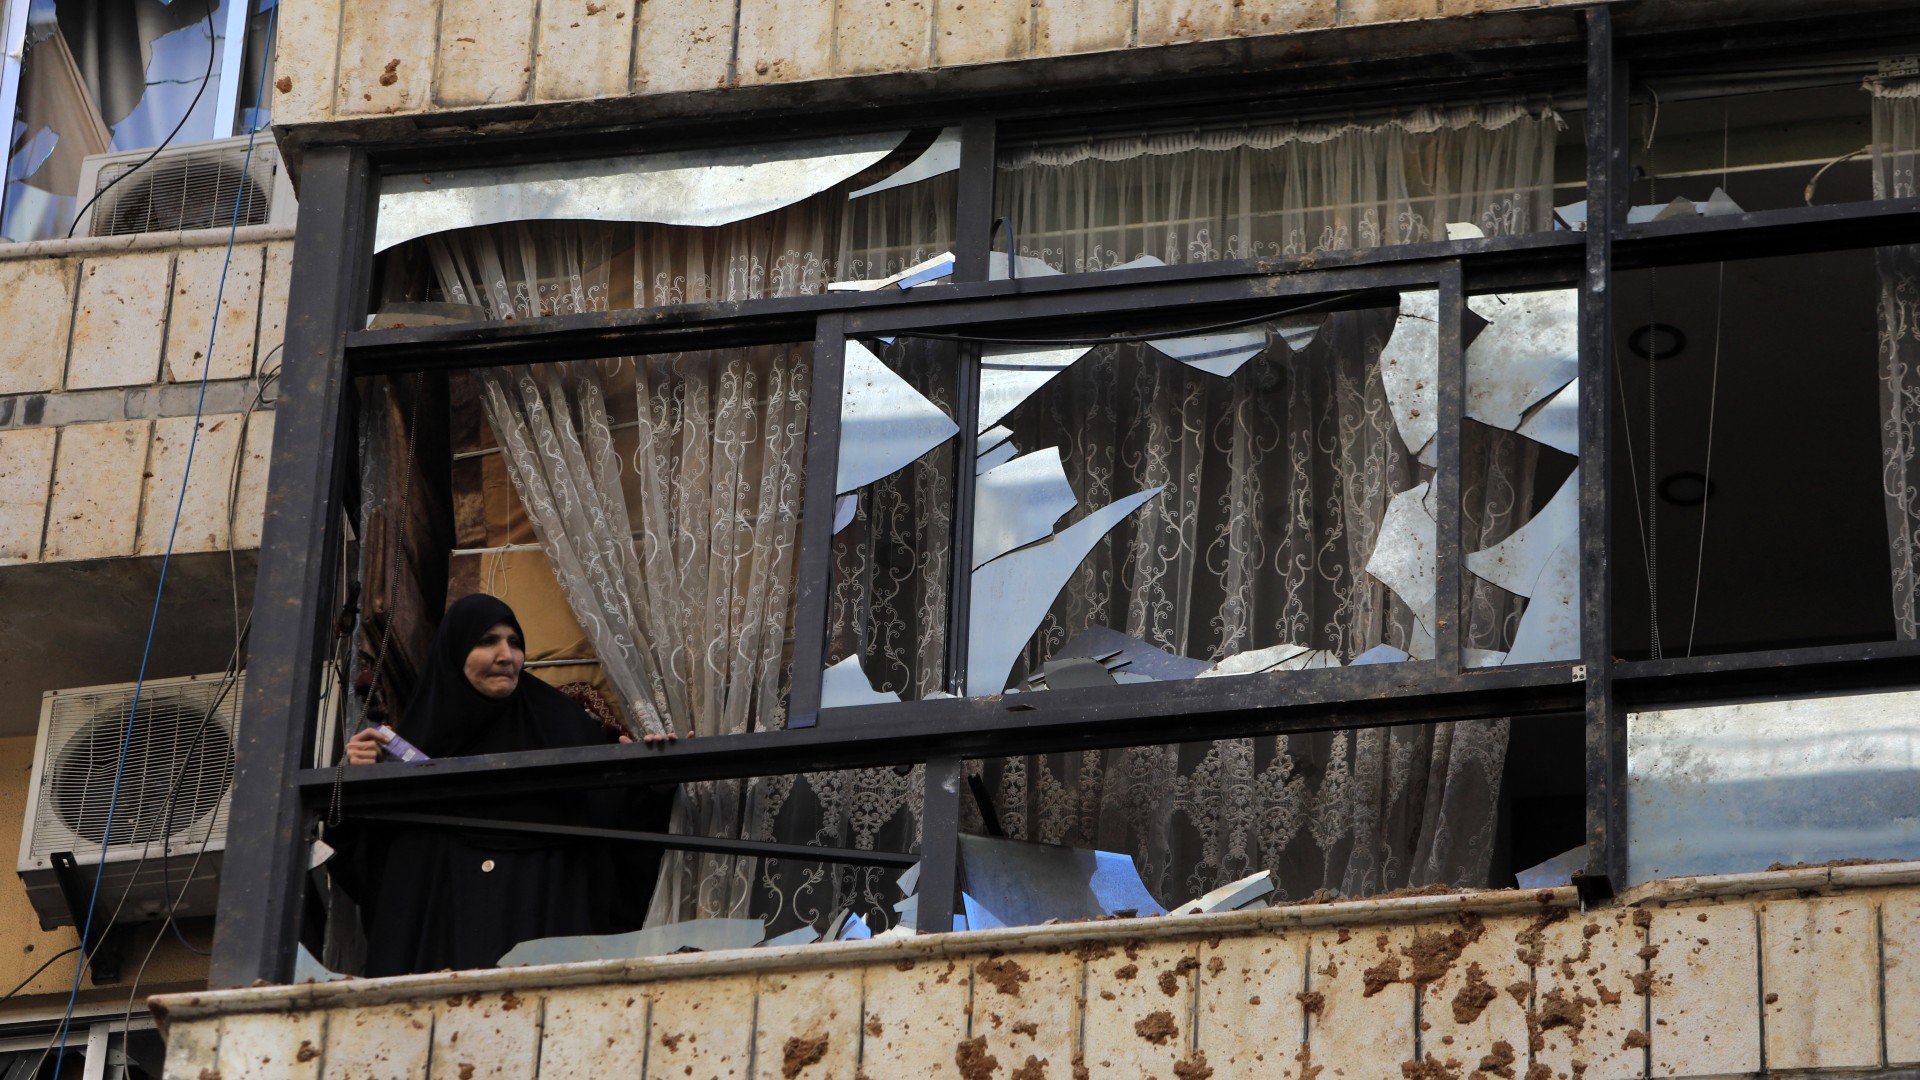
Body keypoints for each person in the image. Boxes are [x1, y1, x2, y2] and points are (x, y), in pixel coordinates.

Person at [336, 593, 674, 976]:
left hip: (544, 933)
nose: (506, 655)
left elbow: (619, 830)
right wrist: (360, 780)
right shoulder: (414, 748)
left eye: (514, 643)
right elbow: (369, 866)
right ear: (454, 652)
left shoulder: (561, 727)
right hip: (440, 948)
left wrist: (649, 778)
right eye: (487, 641)